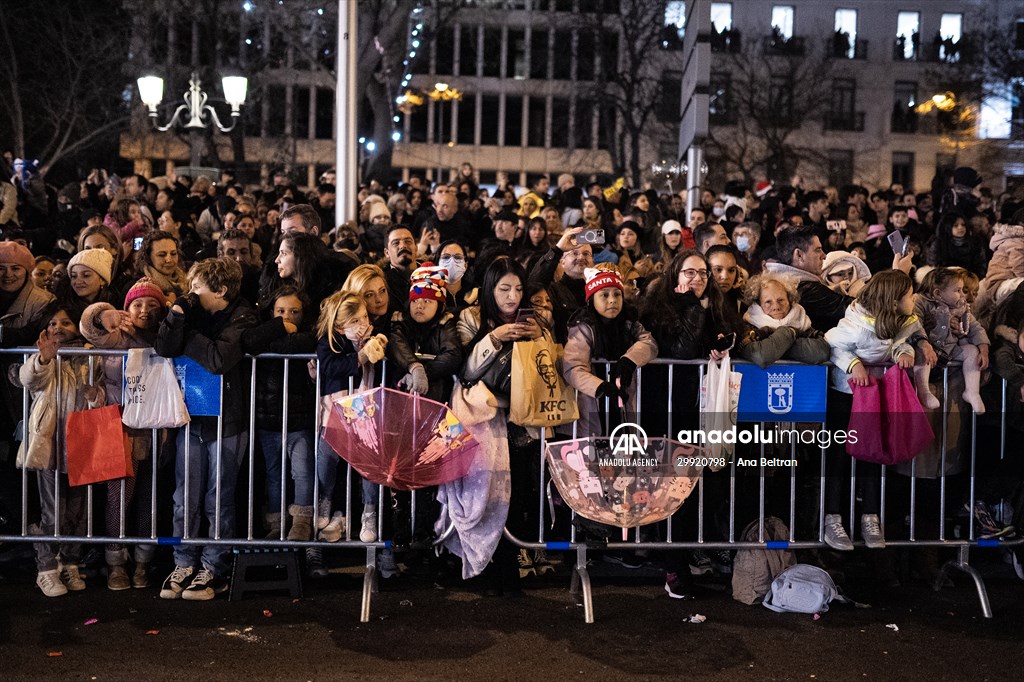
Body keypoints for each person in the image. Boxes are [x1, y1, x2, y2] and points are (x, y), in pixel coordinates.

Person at [155, 258, 259, 600]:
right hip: (193, 416)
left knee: (219, 497)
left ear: (220, 291)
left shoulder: (243, 316)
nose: (190, 294)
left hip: (228, 419)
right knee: (184, 497)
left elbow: (218, 360)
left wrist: (191, 336)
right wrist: (177, 318)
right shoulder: (189, 314)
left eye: (196, 288)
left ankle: (214, 567)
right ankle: (184, 561)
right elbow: (164, 347)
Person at [444, 257, 543, 594]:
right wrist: (496, 337)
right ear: (490, 289)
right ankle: (482, 568)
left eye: (517, 289)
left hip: (522, 419)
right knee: (483, 495)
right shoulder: (472, 318)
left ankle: (508, 571)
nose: (512, 297)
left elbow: (545, 366)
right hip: (483, 419)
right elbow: (467, 370)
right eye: (504, 289)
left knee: (517, 494)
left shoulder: (533, 318)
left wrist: (539, 338)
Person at [823, 270, 935, 550]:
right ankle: (832, 518)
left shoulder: (902, 321)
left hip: (875, 394)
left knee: (874, 452)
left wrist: (905, 353)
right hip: (846, 394)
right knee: (839, 457)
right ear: (894, 300)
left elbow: (898, 343)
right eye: (910, 296)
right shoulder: (856, 325)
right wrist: (853, 364)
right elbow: (830, 343)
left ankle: (870, 517)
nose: (914, 300)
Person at [81, 279, 168, 590]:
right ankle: (116, 562)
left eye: (152, 306)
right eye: (137, 305)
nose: (144, 310)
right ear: (127, 308)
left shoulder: (164, 339)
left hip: (155, 427)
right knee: (119, 496)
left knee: (149, 497)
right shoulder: (117, 338)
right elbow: (89, 328)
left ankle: (143, 561)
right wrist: (103, 314)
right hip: (120, 426)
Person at [19, 304, 104, 596]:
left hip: (80, 445)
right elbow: (29, 379)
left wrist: (96, 397)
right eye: (52, 322)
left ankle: (70, 562)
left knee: (78, 513)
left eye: (66, 322)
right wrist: (42, 359)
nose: (58, 327)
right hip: (50, 445)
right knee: (52, 512)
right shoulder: (46, 359)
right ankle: (46, 567)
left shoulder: (90, 356)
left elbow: (100, 394)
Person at [314, 290, 392, 573]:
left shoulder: (370, 338)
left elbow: (381, 359)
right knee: (326, 461)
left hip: (365, 417)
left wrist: (376, 345)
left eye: (365, 317)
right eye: (356, 320)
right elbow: (332, 368)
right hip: (333, 416)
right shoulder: (328, 344)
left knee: (369, 468)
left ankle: (369, 514)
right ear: (339, 326)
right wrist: (359, 356)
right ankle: (324, 504)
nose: (363, 323)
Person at [248, 285, 319, 541]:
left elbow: (304, 341)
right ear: (271, 312)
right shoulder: (260, 335)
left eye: (294, 311)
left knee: (302, 471)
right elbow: (253, 342)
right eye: (280, 311)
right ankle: (277, 522)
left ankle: (301, 521)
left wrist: (278, 336)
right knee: (274, 473)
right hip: (268, 419)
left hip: (299, 419)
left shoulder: (310, 336)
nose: (287, 316)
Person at [563, 267, 658, 439]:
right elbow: (573, 368)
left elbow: (649, 342)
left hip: (622, 402)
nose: (612, 300)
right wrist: (600, 387)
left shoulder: (629, 321)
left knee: (623, 451)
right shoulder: (583, 326)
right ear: (592, 299)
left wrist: (628, 361)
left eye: (617, 294)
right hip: (592, 403)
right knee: (594, 456)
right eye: (604, 295)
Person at [912, 268, 989, 413]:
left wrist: (983, 349)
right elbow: (915, 325)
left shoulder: (961, 306)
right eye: (958, 290)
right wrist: (925, 344)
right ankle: (924, 391)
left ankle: (972, 391)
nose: (962, 295)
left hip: (949, 350)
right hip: (929, 348)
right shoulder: (921, 302)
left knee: (971, 351)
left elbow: (975, 327)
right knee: (921, 352)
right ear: (938, 293)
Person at [736, 273, 831, 368]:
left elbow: (822, 352)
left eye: (781, 300)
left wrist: (774, 347)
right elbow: (760, 355)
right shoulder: (749, 325)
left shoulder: (802, 321)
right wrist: (789, 332)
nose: (776, 307)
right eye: (768, 302)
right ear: (759, 305)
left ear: (790, 301)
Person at [528, 226, 594, 343]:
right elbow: (534, 284)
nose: (581, 257)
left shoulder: (599, 291)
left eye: (586, 254)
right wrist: (557, 250)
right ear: (562, 262)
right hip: (562, 352)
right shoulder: (553, 291)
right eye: (574, 253)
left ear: (593, 261)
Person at [129, 230, 189, 303]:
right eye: (162, 255)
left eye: (173, 254)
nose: (169, 260)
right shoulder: (137, 286)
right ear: (148, 258)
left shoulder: (188, 281)